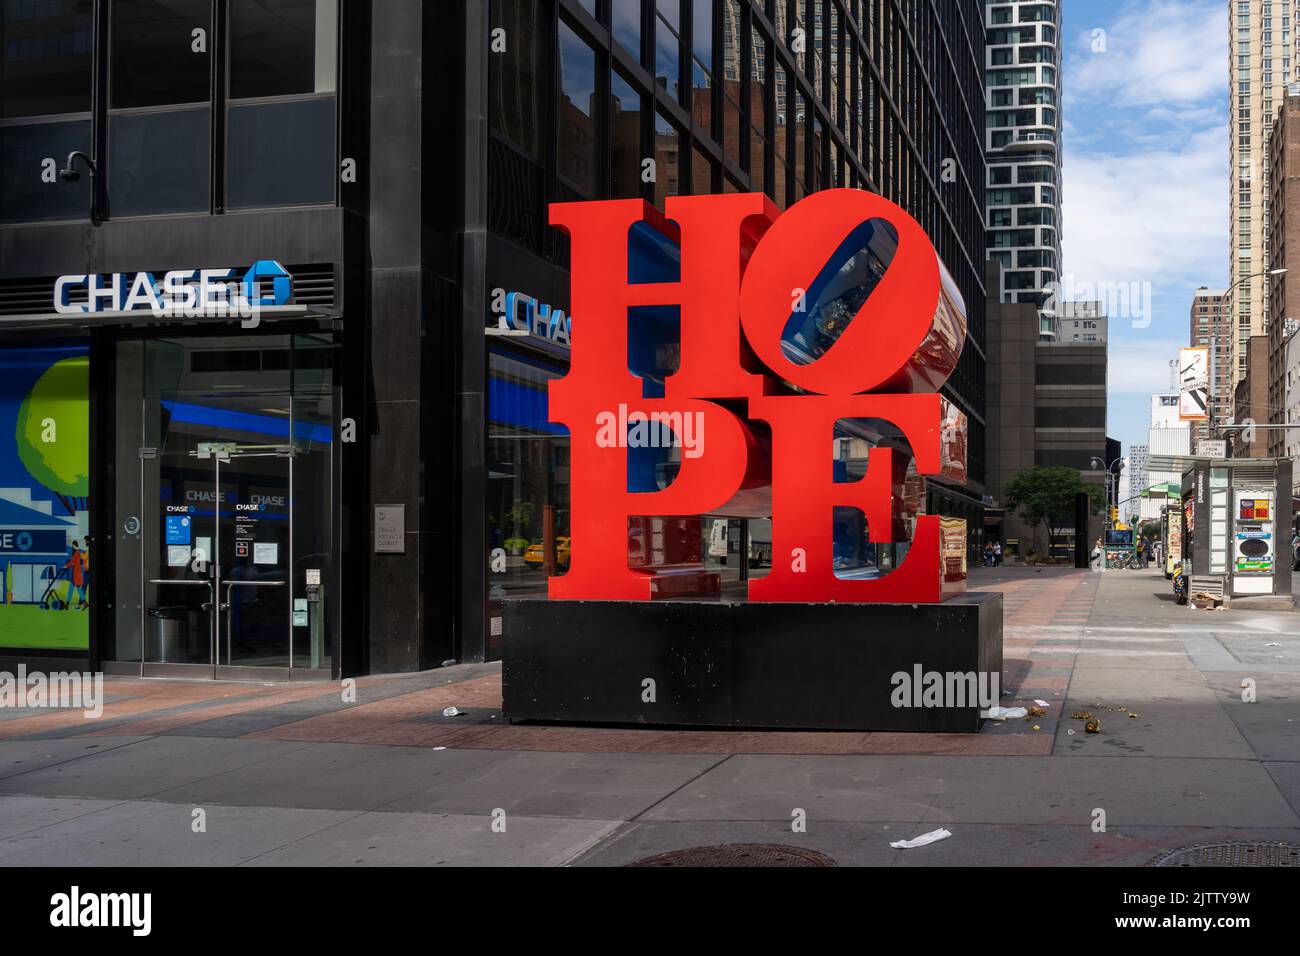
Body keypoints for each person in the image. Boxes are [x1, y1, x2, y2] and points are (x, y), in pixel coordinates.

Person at [64, 541, 88, 610]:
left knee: (73, 589)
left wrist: (66, 566)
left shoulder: (77, 552)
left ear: (76, 545)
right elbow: (73, 562)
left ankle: (67, 604)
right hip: (76, 574)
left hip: (76, 575)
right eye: (72, 545)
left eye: (74, 545)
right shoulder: (76, 553)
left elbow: (72, 562)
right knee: (75, 589)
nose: (73, 546)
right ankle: (84, 603)